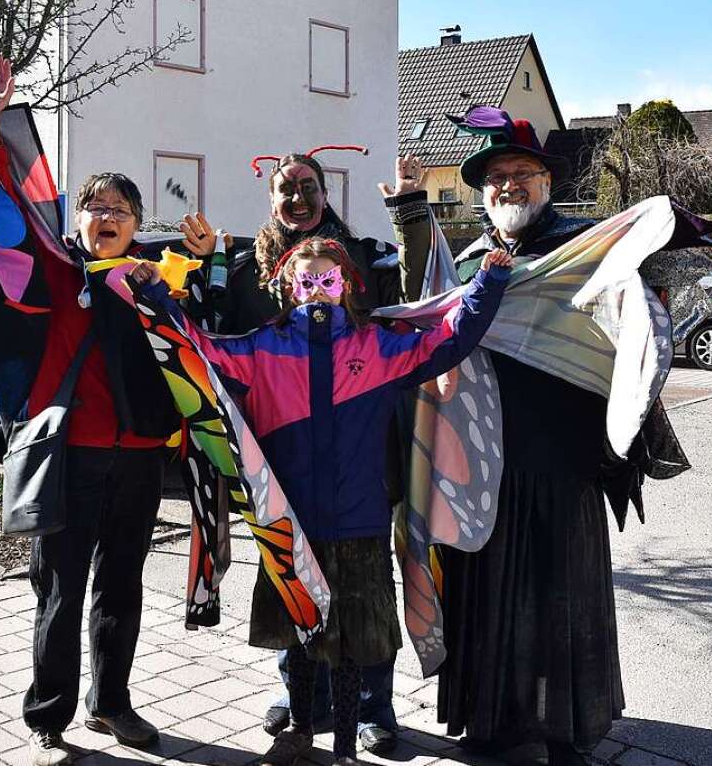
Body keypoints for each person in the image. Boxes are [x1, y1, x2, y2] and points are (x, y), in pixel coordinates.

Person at [129, 237, 512, 766]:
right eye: (305, 280)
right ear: (287, 285)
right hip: (290, 520)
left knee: (352, 640)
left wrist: (487, 285)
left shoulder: (377, 346)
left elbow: (448, 342)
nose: (316, 290)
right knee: (299, 633)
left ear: (346, 285)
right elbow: (199, 351)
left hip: (359, 522)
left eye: (327, 281)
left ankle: (346, 746)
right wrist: (160, 299)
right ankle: (301, 730)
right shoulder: (262, 347)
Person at [420, 106, 654, 766]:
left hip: (562, 458)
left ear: (546, 181)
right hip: (483, 460)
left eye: (521, 173)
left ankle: (562, 734)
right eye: (495, 178)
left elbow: (630, 328)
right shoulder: (471, 260)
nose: (507, 186)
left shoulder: (586, 250)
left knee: (559, 601)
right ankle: (491, 720)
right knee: (486, 598)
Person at [179, 150, 434, 754]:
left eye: (308, 187)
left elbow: (420, 289)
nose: (296, 197)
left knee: (364, 585)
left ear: (326, 194)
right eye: (285, 189)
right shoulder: (245, 268)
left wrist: (411, 210)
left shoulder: (364, 257)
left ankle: (375, 705)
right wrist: (206, 261)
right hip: (284, 460)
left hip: (360, 457)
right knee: (294, 574)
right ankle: (301, 698)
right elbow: (216, 336)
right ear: (271, 200)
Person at [0, 55, 180, 766]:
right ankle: (48, 720)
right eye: (95, 207)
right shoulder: (56, 271)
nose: (105, 217)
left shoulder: (155, 281)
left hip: (140, 453)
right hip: (71, 452)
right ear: (80, 219)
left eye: (119, 210)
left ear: (136, 225)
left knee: (122, 584)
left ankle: (111, 702)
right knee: (60, 590)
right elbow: (6, 212)